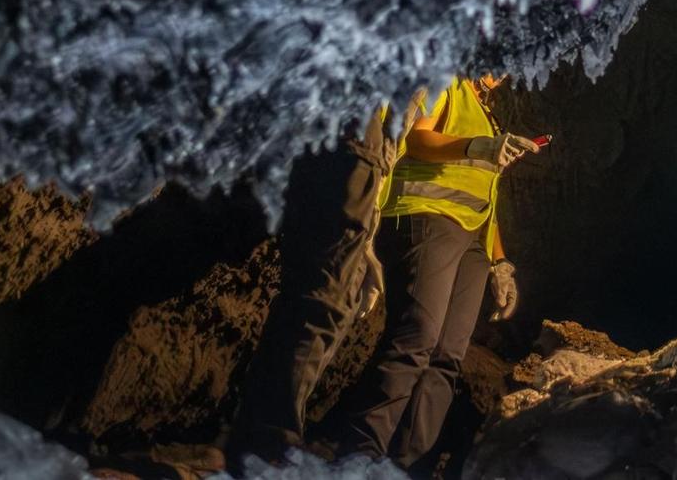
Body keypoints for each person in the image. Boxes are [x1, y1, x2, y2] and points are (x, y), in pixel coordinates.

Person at [334, 73, 541, 468]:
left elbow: (486, 198)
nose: (500, 73)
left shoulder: (487, 113)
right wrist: (479, 146)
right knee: (415, 341)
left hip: (473, 241)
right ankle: (357, 459)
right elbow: (417, 137)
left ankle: (405, 465)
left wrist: (500, 262)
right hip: (427, 218)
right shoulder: (448, 82)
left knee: (447, 357)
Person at [226, 106, 395, 469]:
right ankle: (269, 450)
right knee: (321, 303)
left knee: (314, 299)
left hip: (312, 125)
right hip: (351, 141)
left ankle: (253, 442)